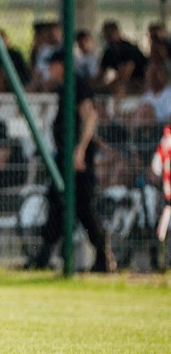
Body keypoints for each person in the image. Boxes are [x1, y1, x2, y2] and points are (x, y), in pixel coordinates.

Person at [25, 52, 115, 273]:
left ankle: (104, 258)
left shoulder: (77, 85)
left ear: (61, 65)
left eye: (52, 65)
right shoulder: (64, 87)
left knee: (83, 207)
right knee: (57, 201)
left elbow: (89, 116)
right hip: (67, 157)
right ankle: (44, 255)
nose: (50, 70)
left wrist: (81, 149)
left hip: (76, 160)